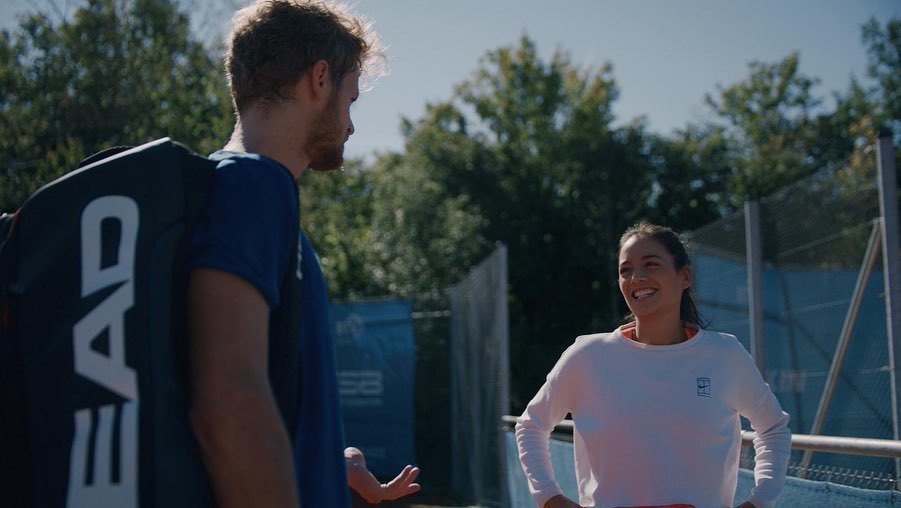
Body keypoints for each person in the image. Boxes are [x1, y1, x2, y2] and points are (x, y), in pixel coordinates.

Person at [185, 1, 418, 506]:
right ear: (319, 78)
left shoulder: (226, 193)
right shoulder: (254, 185)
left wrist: (333, 466)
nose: (352, 126)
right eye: (350, 98)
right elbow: (227, 405)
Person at [515, 222, 791, 508]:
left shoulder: (725, 355)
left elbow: (773, 428)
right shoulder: (587, 355)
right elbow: (531, 426)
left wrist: (759, 502)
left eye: (651, 264)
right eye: (625, 270)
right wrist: (550, 498)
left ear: (684, 276)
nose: (636, 277)